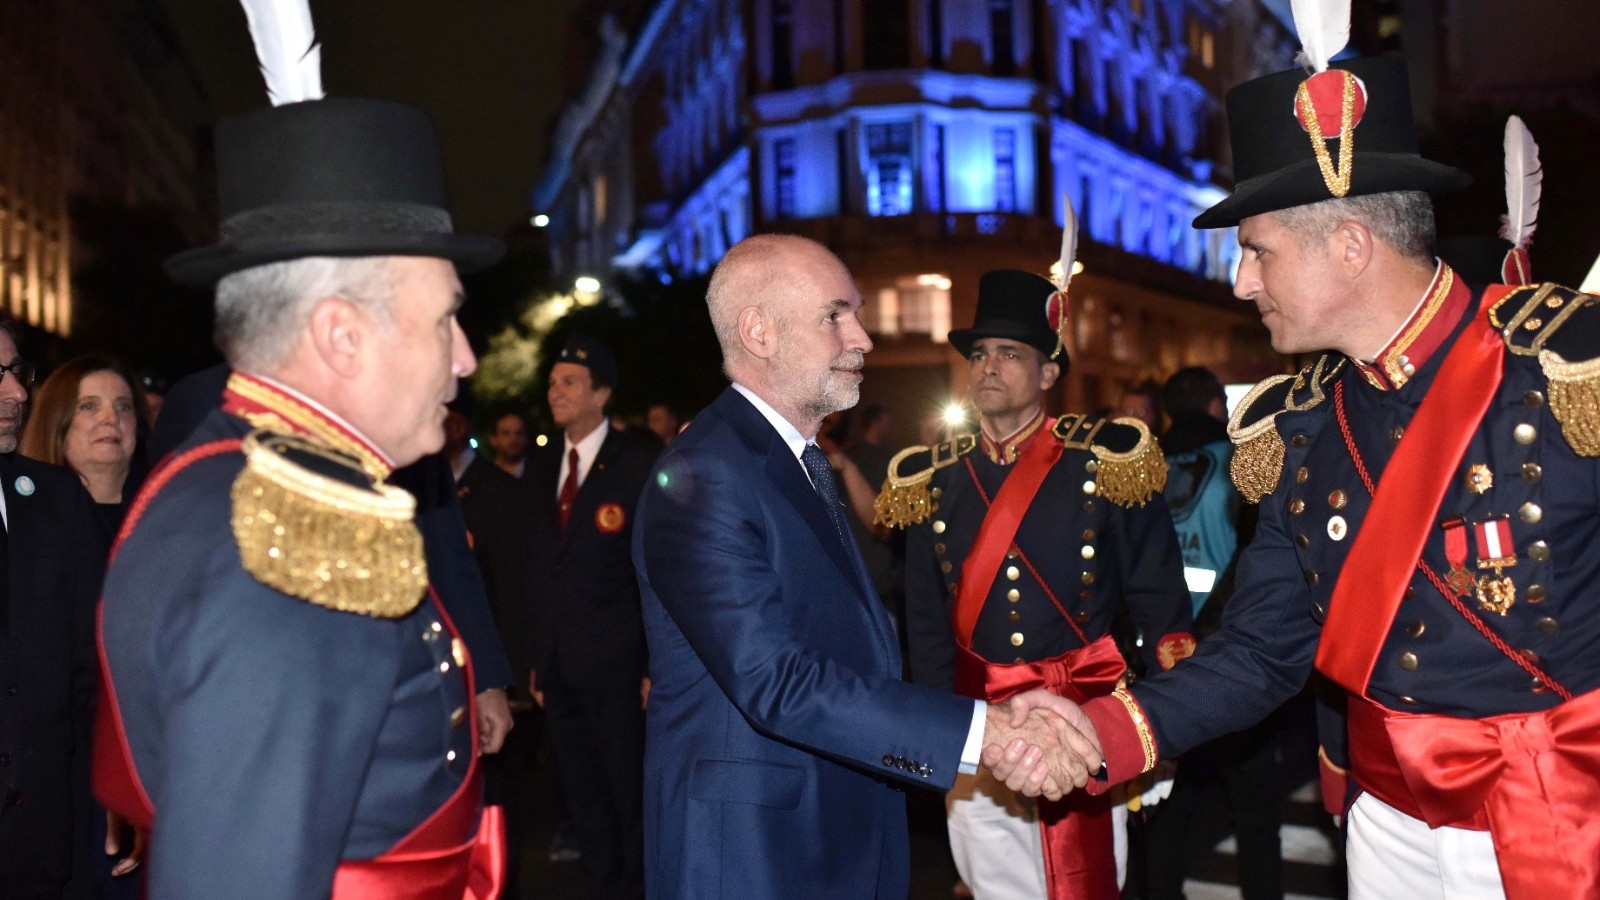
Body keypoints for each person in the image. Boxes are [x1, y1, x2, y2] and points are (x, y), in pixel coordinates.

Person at [1018, 46, 1600, 899]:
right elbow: (1259, 650)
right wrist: (1103, 725)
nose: (1242, 279)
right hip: (1385, 822)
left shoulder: (1562, 375)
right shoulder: (1301, 425)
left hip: (1558, 816)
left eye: (1258, 250)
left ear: (1352, 246)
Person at [95, 96, 509, 897]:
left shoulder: (238, 480)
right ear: (341, 335)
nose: (465, 359)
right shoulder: (287, 544)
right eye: (446, 321)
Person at [632, 234, 1104, 899]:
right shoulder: (707, 473)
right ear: (759, 331)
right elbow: (778, 682)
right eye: (836, 315)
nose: (863, 337)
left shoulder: (792, 460)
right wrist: (983, 730)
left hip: (833, 823)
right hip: (751, 853)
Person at [880, 269, 1193, 898]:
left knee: (1090, 882)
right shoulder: (931, 478)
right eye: (980, 354)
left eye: (1009, 354)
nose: (989, 366)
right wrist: (936, 733)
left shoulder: (1103, 463)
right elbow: (926, 624)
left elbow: (1159, 601)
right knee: (991, 881)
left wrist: (1166, 721)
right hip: (978, 720)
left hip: (1083, 714)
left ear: (1049, 374)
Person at [1139, 366, 1284, 900]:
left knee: (1165, 797)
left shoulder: (1142, 462)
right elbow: (1258, 556)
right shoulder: (1243, 458)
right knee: (1252, 800)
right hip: (1230, 648)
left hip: (1160, 645)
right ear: (1216, 405)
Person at [523, 334, 658, 900]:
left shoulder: (636, 464)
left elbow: (656, 572)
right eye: (553, 382)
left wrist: (655, 662)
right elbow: (534, 565)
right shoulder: (540, 463)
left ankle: (642, 885)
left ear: (601, 392)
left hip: (619, 664)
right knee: (580, 792)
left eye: (570, 382)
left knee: (626, 787)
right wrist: (533, 656)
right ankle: (607, 883)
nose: (556, 392)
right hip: (558, 665)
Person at [0, 327, 108, 900]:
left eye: (18, 371)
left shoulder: (56, 500)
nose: (17, 393)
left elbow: (92, 676)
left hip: (43, 850)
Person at [19, 357, 151, 537]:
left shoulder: (168, 508)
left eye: (124, 406)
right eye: (89, 406)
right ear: (55, 422)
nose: (112, 418)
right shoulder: (23, 518)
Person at [488, 411, 530, 478]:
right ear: (493, 440)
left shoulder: (540, 473)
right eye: (506, 433)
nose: (513, 439)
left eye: (519, 433)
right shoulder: (485, 476)